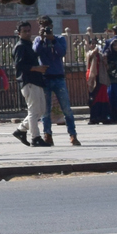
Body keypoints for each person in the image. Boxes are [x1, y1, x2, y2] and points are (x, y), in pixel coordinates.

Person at [34, 15, 79, 145]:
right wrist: (42, 39)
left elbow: (62, 52)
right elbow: (36, 52)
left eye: (48, 26)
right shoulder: (38, 40)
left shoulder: (59, 39)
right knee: (45, 110)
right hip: (45, 78)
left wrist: (52, 39)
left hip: (58, 77)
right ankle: (47, 135)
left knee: (66, 108)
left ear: (52, 26)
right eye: (43, 26)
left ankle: (73, 135)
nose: (46, 28)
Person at [13, 20, 47, 146]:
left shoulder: (29, 45)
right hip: (28, 81)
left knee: (41, 110)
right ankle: (35, 138)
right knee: (33, 111)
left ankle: (21, 130)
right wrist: (35, 68)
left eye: (29, 31)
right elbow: (18, 65)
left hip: (36, 80)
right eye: (24, 31)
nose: (27, 33)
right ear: (19, 33)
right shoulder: (20, 46)